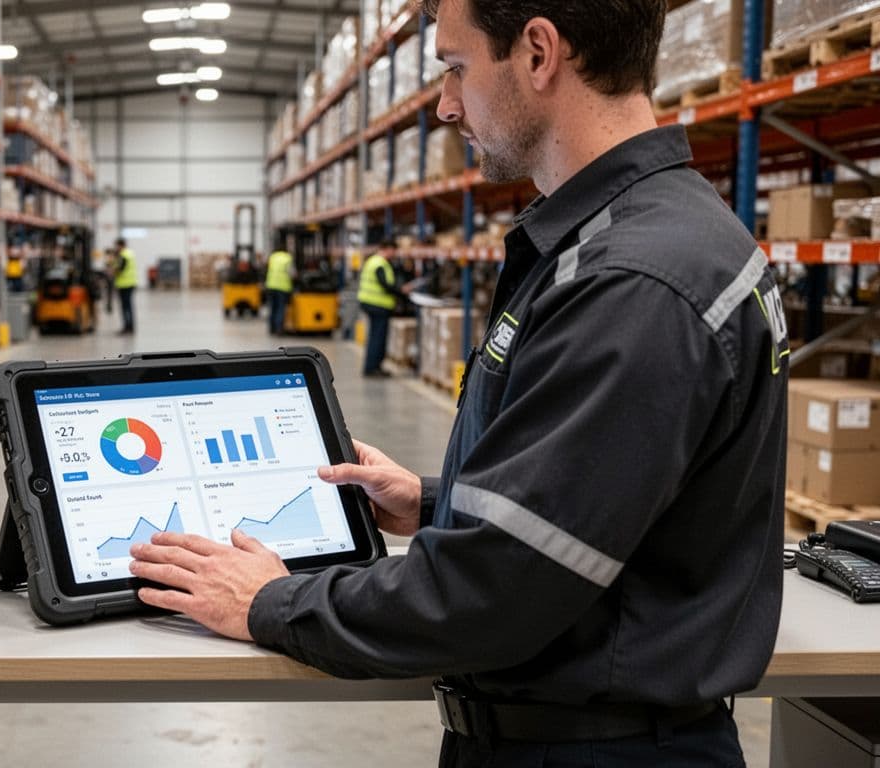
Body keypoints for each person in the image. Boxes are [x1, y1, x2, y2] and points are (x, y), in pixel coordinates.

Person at [128, 1, 788, 765]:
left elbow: (490, 595)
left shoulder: (633, 280)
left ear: (538, 52)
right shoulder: (643, 235)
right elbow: (616, 493)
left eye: (455, 68)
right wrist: (435, 501)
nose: (445, 106)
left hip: (597, 751)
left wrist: (269, 600)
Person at [358, 240, 400, 377]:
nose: (394, 254)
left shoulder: (373, 261)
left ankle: (373, 366)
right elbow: (385, 285)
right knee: (378, 337)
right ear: (387, 249)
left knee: (375, 336)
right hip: (377, 305)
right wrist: (401, 291)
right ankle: (372, 368)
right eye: (393, 250)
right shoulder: (380, 264)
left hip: (371, 303)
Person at [264, 246, 294, 335]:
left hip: (271, 285)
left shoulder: (272, 257)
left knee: (272, 307)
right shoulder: (288, 258)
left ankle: (271, 328)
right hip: (282, 287)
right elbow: (291, 273)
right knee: (280, 308)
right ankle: (279, 329)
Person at [112, 238, 137, 335]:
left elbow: (119, 269)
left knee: (125, 307)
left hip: (125, 284)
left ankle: (127, 327)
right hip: (130, 283)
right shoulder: (130, 253)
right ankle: (130, 327)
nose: (116, 248)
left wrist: (111, 271)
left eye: (116, 246)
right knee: (128, 306)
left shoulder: (123, 255)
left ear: (120, 245)